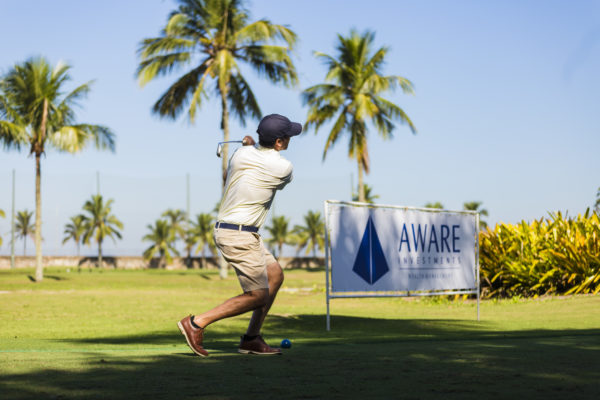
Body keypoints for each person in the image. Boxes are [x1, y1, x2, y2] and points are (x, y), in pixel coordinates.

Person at [178, 113, 302, 356]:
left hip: (240, 232)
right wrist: (252, 147)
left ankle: (251, 339)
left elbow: (237, 170)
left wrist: (249, 147)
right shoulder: (283, 168)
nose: (290, 139)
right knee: (258, 295)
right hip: (239, 235)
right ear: (278, 142)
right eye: (288, 136)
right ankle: (196, 323)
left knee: (275, 275)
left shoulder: (240, 154)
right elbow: (269, 171)